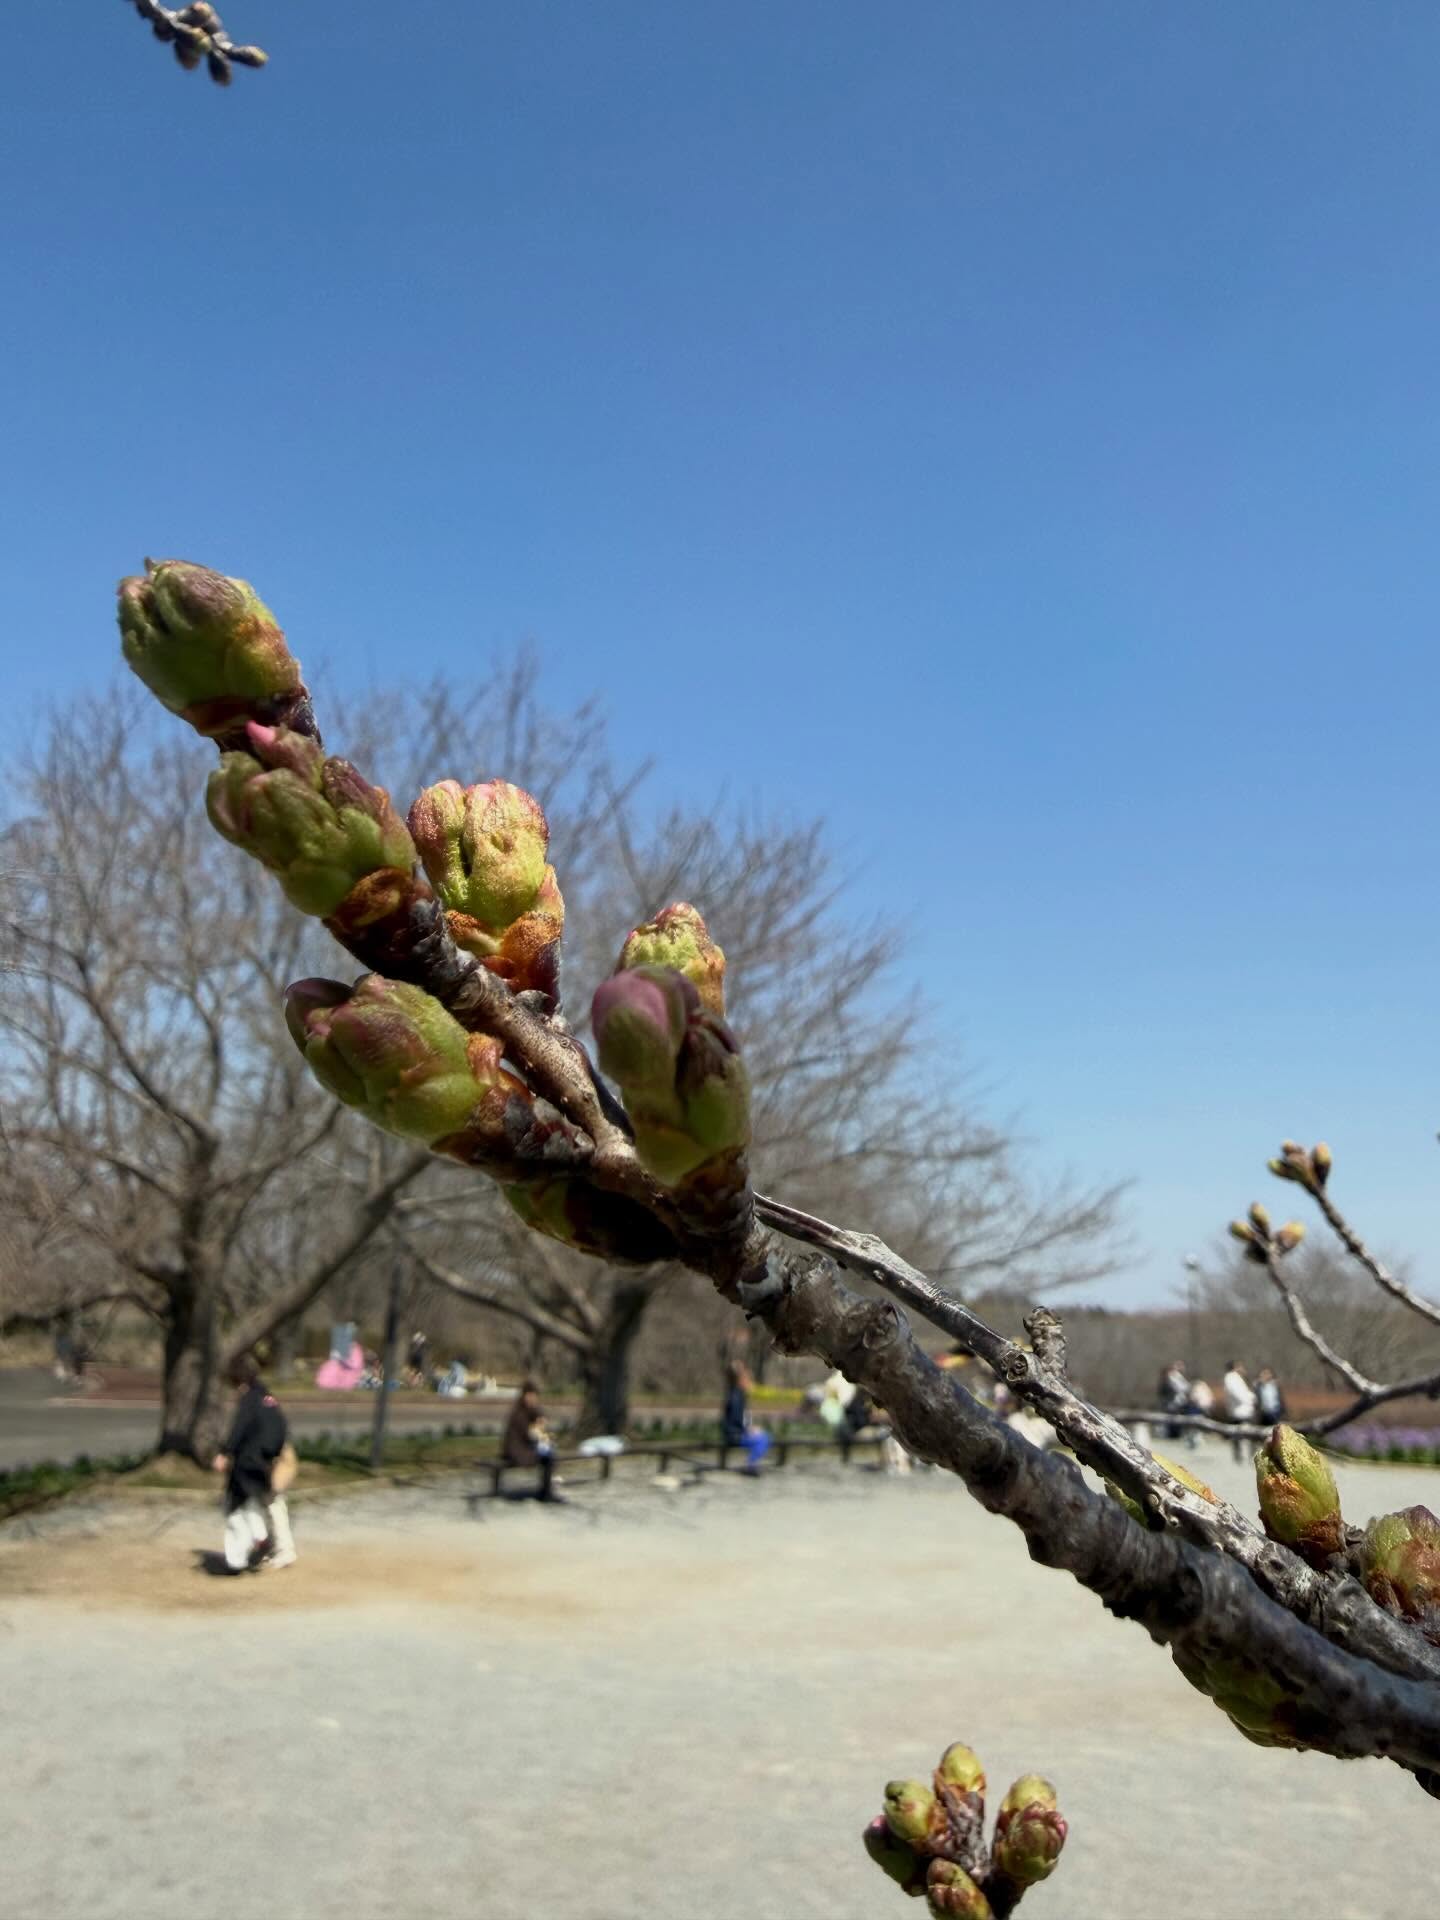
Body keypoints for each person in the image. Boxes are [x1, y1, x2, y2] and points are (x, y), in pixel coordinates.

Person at [212, 1354, 297, 1572]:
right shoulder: (267, 1396)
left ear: (238, 1381)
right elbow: (281, 1425)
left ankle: (278, 1548)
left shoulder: (249, 1399)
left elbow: (239, 1428)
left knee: (265, 1502)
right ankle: (274, 1546)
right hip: (276, 1456)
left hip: (255, 1459)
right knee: (269, 1502)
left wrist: (225, 1452)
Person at [502, 1380, 556, 1500]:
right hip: (516, 1450)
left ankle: (546, 1491)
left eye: (534, 1396)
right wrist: (538, 1431)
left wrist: (541, 1419)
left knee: (549, 1453)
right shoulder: (518, 1413)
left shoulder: (531, 1410)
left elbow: (541, 1420)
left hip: (525, 1447)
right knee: (547, 1455)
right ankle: (546, 1493)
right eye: (530, 1396)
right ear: (524, 1396)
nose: (532, 1399)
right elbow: (529, 1435)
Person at [721, 1362, 771, 1474]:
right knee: (762, 1439)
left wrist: (750, 1428)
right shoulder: (736, 1397)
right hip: (734, 1435)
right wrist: (749, 1430)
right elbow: (736, 1420)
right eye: (748, 1379)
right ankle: (750, 1464)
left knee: (764, 1437)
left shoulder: (738, 1395)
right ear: (740, 1380)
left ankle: (751, 1463)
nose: (751, 1383)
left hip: (735, 1433)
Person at [1222, 1359, 1257, 1461]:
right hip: (1240, 1410)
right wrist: (1251, 1398)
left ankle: (1243, 1455)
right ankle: (1241, 1456)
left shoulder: (1236, 1378)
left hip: (1241, 1409)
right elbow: (1238, 1394)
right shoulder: (1231, 1378)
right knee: (1243, 1434)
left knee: (1241, 1434)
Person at [1158, 1362, 1190, 1441]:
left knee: (1176, 1420)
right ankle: (1172, 1435)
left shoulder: (1176, 1377)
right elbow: (1176, 1389)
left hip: (1176, 1404)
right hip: (1170, 1403)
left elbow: (1186, 1387)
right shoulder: (1168, 1379)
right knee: (1171, 1420)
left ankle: (1176, 1434)